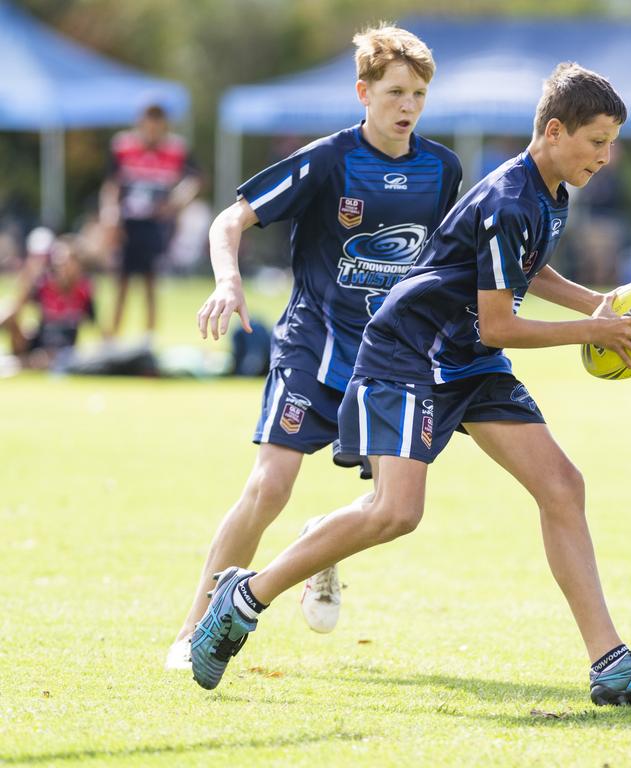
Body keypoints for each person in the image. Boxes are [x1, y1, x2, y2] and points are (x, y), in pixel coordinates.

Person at [189, 62, 631, 705]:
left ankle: (609, 663)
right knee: (396, 512)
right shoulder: (508, 198)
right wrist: (590, 334)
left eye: (610, 143)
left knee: (562, 485)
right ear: (554, 131)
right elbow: (499, 324)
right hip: (409, 350)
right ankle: (245, 596)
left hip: (464, 356)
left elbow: (523, 271)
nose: (606, 157)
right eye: (597, 141)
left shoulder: (549, 193)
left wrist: (594, 305)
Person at [165, 25, 463, 669]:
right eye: (392, 92)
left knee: (392, 506)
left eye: (416, 94)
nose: (406, 105)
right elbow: (230, 218)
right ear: (363, 92)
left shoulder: (441, 169)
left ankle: (315, 547)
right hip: (314, 350)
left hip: (391, 360)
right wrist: (227, 278)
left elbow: (444, 259)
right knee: (269, 486)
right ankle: (194, 629)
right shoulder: (328, 159)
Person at [100, 103, 200, 340]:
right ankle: (112, 337)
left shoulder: (176, 149)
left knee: (150, 282)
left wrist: (175, 204)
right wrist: (109, 213)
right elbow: (111, 183)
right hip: (128, 223)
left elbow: (195, 179)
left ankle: (148, 338)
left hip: (155, 225)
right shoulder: (123, 146)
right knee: (121, 281)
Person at [0, 233, 95, 370]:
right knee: (9, 312)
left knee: (44, 360)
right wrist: (29, 274)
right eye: (59, 263)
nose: (62, 267)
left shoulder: (83, 291)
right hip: (38, 343)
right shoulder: (43, 285)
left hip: (62, 351)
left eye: (67, 262)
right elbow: (16, 306)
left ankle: (17, 363)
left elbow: (96, 326)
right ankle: (20, 362)